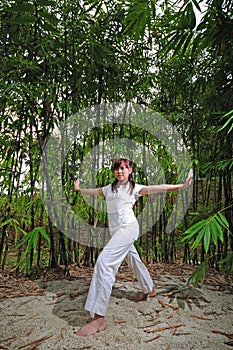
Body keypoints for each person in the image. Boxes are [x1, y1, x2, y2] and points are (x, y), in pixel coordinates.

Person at [74, 158, 193, 336]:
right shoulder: (109, 189)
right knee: (134, 260)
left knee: (104, 263)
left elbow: (160, 187)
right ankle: (149, 289)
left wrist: (181, 186)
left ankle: (98, 320)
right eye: (117, 169)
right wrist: (79, 189)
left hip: (128, 229)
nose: (119, 171)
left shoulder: (135, 188)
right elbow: (92, 192)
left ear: (130, 170)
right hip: (117, 233)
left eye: (123, 168)